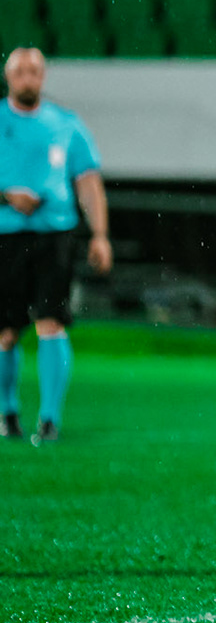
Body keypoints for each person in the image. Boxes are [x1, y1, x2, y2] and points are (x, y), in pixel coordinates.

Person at [0, 46, 110, 444]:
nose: (28, 78)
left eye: (34, 71)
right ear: (8, 77)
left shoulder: (66, 124)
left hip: (55, 236)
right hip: (5, 235)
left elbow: (88, 181)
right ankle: (7, 413)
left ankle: (49, 420)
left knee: (51, 321)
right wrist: (6, 195)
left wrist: (99, 234)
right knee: (7, 331)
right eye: (20, 72)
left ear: (43, 77)